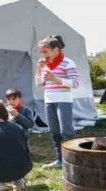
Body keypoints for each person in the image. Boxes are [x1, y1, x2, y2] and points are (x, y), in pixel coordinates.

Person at [34, 35, 79, 169]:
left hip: (64, 101)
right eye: (41, 52)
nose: (43, 54)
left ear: (56, 50)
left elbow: (75, 84)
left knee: (66, 131)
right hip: (49, 101)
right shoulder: (46, 65)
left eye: (45, 51)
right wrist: (39, 69)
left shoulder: (68, 63)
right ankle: (60, 160)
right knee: (54, 131)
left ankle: (72, 161)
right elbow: (40, 84)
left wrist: (55, 79)